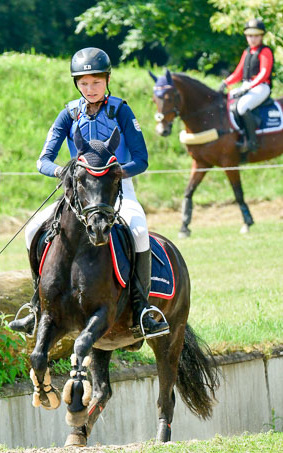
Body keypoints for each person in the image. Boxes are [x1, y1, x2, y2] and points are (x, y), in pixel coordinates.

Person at [9, 46, 169, 340]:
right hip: (78, 193)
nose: (90, 89)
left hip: (115, 191)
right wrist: (61, 171)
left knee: (139, 230)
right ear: (76, 84)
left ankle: (143, 309)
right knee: (32, 229)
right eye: (84, 83)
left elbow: (141, 158)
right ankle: (36, 306)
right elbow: (43, 160)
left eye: (96, 82)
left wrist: (116, 172)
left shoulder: (120, 110)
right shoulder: (68, 113)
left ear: (107, 80)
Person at [218, 18, 274, 153]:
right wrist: (225, 83)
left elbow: (264, 73)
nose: (253, 39)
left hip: (261, 87)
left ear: (261, 36)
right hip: (247, 86)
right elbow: (238, 72)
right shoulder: (247, 51)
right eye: (250, 36)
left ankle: (252, 142)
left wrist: (248, 87)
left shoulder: (265, 51)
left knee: (242, 107)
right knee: (227, 101)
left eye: (256, 36)